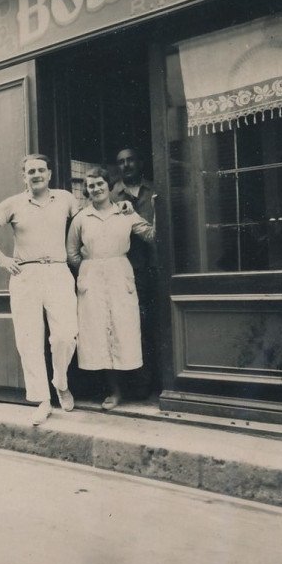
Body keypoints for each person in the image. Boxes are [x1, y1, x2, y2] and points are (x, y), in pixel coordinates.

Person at [0, 154, 79, 426]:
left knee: (65, 336)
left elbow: (84, 223)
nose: (36, 175)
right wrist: (2, 260)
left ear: (49, 173)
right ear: (24, 176)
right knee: (29, 340)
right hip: (26, 274)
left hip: (58, 270)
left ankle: (60, 380)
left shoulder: (66, 198)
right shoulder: (13, 204)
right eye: (30, 171)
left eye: (41, 170)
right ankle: (43, 400)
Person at [67, 165, 156, 410]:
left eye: (100, 184)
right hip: (92, 278)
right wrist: (87, 272)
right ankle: (114, 391)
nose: (95, 189)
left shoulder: (124, 213)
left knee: (124, 331)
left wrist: (159, 207)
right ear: (86, 189)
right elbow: (72, 253)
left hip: (120, 276)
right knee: (98, 334)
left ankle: (136, 389)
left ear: (109, 186)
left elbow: (151, 235)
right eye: (91, 185)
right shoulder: (81, 218)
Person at [110, 148, 159, 399]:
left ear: (140, 162)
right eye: (121, 162)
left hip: (157, 269)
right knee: (130, 328)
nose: (127, 165)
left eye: (131, 160)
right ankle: (137, 387)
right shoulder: (109, 196)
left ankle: (157, 383)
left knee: (155, 326)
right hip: (127, 274)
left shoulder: (156, 190)